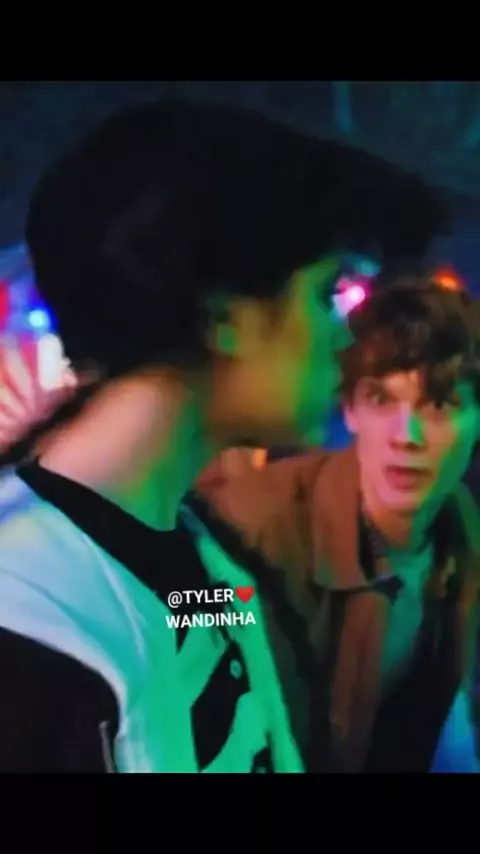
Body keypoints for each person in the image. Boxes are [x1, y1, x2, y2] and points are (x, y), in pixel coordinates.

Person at [0, 98, 447, 773]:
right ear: (224, 318)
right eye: (323, 294)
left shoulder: (194, 558)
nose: (342, 337)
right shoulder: (31, 632)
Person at [199, 278, 480, 773]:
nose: (406, 435)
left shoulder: (461, 528)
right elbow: (172, 630)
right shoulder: (248, 528)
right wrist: (226, 604)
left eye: (439, 405)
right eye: (381, 399)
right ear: (349, 410)